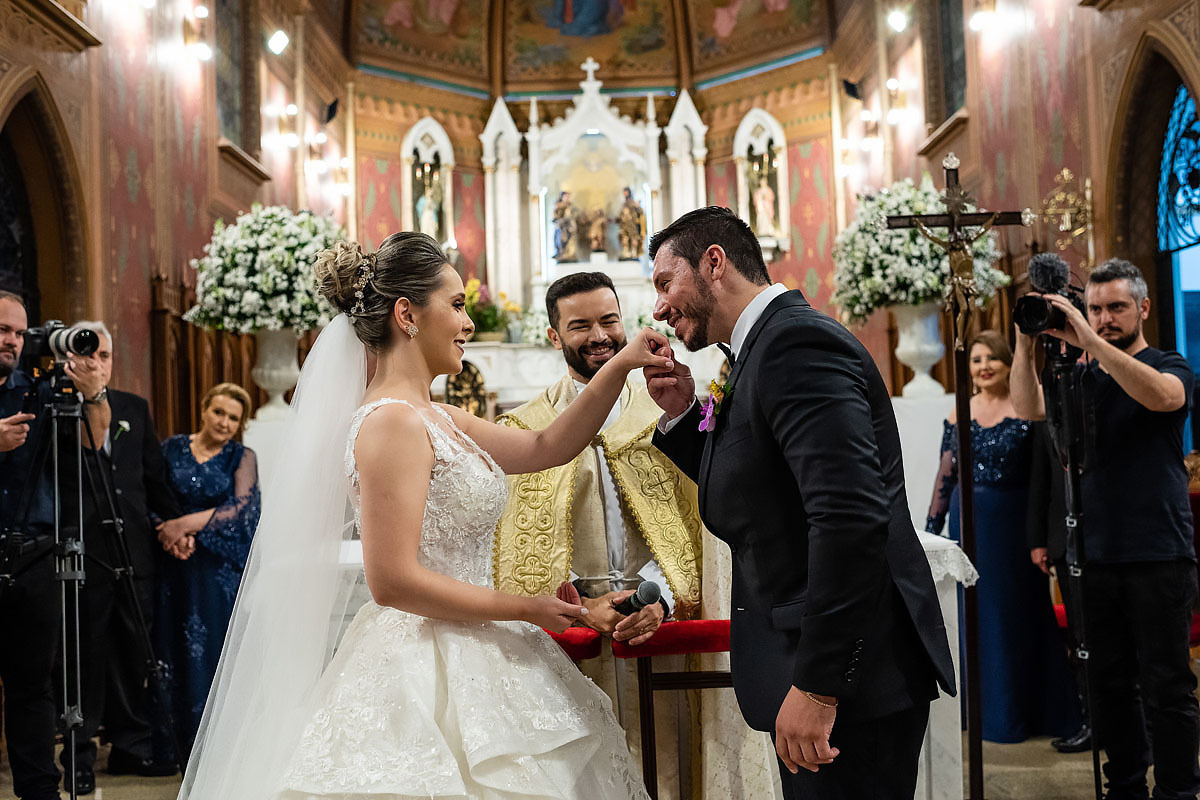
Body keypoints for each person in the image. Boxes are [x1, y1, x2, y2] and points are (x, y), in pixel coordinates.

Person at [179, 231, 670, 799]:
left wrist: (623, 364)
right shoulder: (392, 423)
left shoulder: (438, 415)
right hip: (424, 664)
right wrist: (529, 608)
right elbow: (393, 582)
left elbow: (545, 449)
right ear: (407, 314)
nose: (467, 323)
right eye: (457, 305)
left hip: (483, 644)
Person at [643, 206, 955, 799]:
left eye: (665, 282)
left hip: (847, 682)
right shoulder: (758, 350)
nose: (658, 307)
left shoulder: (795, 345)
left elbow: (850, 519)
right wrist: (685, 415)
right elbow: (763, 492)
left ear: (714, 263)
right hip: (821, 671)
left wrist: (818, 686)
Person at [492, 271, 703, 797]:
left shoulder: (663, 411)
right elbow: (523, 549)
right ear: (553, 335)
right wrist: (584, 608)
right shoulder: (526, 428)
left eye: (608, 320)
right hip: (573, 640)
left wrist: (656, 599)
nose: (599, 336)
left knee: (666, 772)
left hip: (654, 626)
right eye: (580, 325)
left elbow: (688, 525)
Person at [1011, 258, 1200, 800]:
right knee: (1109, 687)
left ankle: (1180, 790)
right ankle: (1124, 787)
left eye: (1116, 307)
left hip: (1157, 552)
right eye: (1094, 308)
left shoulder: (1168, 362)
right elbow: (1028, 410)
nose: (1104, 317)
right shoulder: (1078, 375)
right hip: (1091, 553)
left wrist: (1091, 341)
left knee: (1167, 685)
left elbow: (1165, 397)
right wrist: (1030, 343)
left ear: (1143, 308)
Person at [924, 330, 1080, 743]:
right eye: (976, 360)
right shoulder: (960, 410)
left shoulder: (1028, 407)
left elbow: (1045, 477)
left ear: (1009, 363)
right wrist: (930, 533)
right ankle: (979, 713)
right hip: (967, 524)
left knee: (1013, 615)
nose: (984, 366)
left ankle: (1023, 713)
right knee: (974, 616)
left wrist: (1043, 534)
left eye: (992, 358)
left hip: (1014, 526)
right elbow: (946, 475)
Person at [60, 321, 182, 793]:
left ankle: (131, 746)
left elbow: (152, 476)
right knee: (84, 657)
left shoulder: (134, 407)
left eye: (104, 356)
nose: (96, 363)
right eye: (87, 353)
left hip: (134, 549)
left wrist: (172, 526)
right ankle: (81, 755)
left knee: (135, 654)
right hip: (80, 550)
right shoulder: (54, 408)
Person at [153, 382, 260, 761]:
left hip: (217, 573)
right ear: (203, 409)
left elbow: (242, 510)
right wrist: (170, 532)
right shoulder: (171, 448)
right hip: (173, 567)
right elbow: (153, 493)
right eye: (219, 412)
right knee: (168, 646)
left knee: (211, 649)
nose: (225, 422)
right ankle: (168, 745)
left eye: (234, 418)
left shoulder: (241, 457)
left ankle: (214, 747)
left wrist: (185, 527)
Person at [1027, 420, 1092, 753]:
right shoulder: (1047, 409)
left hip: (1112, 535)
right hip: (1063, 539)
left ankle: (1137, 726)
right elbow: (1040, 479)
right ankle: (1090, 721)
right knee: (1080, 637)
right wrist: (1038, 539)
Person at [618, 186, 645, 260]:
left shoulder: (633, 203)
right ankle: (627, 253)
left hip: (633, 225)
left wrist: (637, 207)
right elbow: (620, 215)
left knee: (634, 239)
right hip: (625, 225)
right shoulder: (623, 204)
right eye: (624, 192)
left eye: (626, 192)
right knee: (625, 240)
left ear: (629, 193)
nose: (625, 194)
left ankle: (634, 253)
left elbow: (640, 212)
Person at [553, 190, 578, 262]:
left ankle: (569, 254)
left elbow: (573, 214)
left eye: (568, 197)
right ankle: (561, 253)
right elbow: (556, 215)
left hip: (569, 226)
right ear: (562, 197)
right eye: (565, 196)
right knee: (561, 240)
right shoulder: (559, 205)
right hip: (562, 226)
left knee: (570, 241)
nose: (567, 198)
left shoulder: (570, 205)